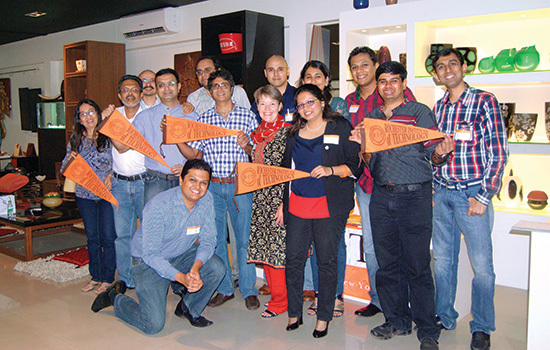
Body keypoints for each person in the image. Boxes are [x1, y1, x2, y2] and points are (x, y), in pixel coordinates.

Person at [351, 61, 453, 350]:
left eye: (394, 80)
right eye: (383, 81)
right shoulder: (371, 117)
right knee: (387, 264)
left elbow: (434, 154)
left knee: (418, 265)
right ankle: (397, 320)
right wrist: (363, 146)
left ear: (403, 83)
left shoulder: (420, 112)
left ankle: (428, 328)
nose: (387, 86)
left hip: (415, 196)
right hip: (381, 196)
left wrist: (442, 154)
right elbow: (370, 162)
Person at [90, 159, 225, 334]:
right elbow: (151, 254)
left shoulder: (206, 199)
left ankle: (188, 308)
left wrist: (196, 267)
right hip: (148, 262)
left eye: (203, 183)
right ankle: (115, 297)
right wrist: (181, 278)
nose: (197, 187)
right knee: (152, 325)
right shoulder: (159, 205)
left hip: (180, 253)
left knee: (216, 267)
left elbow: (208, 240)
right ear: (181, 180)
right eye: (192, 180)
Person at [431, 48, 508, 350]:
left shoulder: (484, 101)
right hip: (442, 192)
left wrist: (484, 196)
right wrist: (437, 157)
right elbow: (434, 157)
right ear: (436, 75)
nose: (447, 69)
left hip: (472, 193)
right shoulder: (437, 109)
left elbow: (499, 152)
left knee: (482, 266)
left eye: (452, 64)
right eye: (441, 66)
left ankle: (483, 326)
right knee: (443, 261)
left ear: (463, 67)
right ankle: (445, 315)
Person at [282, 84, 361, 338]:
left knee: (326, 262)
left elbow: (355, 164)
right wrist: (282, 204)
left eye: (310, 102)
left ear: (322, 102)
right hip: (297, 203)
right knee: (294, 261)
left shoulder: (340, 126)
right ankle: (294, 313)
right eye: (301, 104)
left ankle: (324, 317)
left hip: (329, 204)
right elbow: (286, 171)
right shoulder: (293, 132)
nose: (306, 108)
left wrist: (330, 170)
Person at [345, 46, 417, 318]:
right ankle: (379, 299)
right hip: (365, 182)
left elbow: (409, 133)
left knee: (401, 243)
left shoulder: (393, 93)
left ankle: (406, 301)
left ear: (375, 65)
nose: (360, 71)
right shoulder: (350, 100)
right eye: (354, 67)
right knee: (373, 245)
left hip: (397, 181)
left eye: (365, 65)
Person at [189, 69, 260, 310]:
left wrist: (247, 146)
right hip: (212, 189)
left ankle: (249, 289)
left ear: (232, 89)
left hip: (240, 186)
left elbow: (257, 154)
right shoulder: (204, 119)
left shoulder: (248, 117)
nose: (220, 89)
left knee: (244, 238)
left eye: (224, 85)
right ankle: (225, 288)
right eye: (215, 86)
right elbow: (196, 153)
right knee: (217, 239)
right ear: (210, 92)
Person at [299, 60, 350, 318]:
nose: (313, 80)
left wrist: (332, 170)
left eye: (318, 76)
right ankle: (320, 295)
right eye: (308, 76)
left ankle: (336, 296)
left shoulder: (338, 112)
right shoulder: (302, 116)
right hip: (309, 193)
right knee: (317, 247)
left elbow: (351, 156)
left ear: (326, 80)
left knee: (334, 245)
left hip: (334, 191)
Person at [112, 68, 199, 205]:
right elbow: (122, 147)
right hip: (154, 181)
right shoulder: (144, 117)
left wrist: (187, 168)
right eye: (161, 85)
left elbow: (199, 155)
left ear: (179, 86)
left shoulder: (192, 116)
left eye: (171, 83)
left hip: (185, 179)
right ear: (157, 90)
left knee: (183, 224)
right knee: (154, 223)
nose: (167, 88)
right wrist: (108, 122)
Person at [61, 99, 116, 295]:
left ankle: (108, 278)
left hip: (106, 195)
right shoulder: (75, 140)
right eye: (83, 114)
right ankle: (96, 275)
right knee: (93, 237)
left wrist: (110, 175)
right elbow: (64, 167)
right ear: (79, 119)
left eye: (91, 111)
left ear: (98, 113)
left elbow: (116, 163)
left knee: (108, 237)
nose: (88, 116)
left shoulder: (108, 135)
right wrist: (69, 163)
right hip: (84, 196)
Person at [247, 85, 290, 318]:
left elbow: (292, 170)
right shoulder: (256, 134)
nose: (267, 108)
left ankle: (281, 301)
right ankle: (276, 297)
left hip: (280, 199)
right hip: (261, 198)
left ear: (280, 106)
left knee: (279, 252)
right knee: (266, 252)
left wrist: (285, 203)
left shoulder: (288, 132)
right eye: (262, 103)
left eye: (272, 103)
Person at [108, 75, 146, 289]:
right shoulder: (114, 115)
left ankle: (145, 277)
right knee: (122, 235)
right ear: (119, 94)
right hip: (119, 184)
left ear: (141, 93)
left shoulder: (147, 116)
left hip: (144, 181)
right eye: (125, 90)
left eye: (134, 90)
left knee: (146, 233)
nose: (130, 94)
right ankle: (125, 279)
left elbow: (122, 146)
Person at [251, 55, 296, 123]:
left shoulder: (298, 96)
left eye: (280, 69)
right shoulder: (260, 100)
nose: (276, 74)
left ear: (287, 71)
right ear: (265, 73)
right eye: (271, 70)